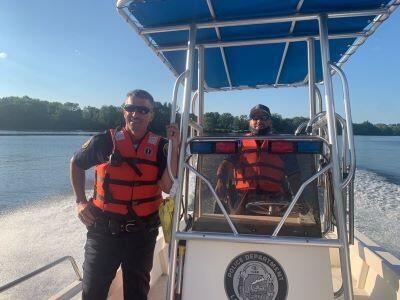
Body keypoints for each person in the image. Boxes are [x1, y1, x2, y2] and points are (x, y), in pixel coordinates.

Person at [70, 89, 179, 300]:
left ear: (151, 115)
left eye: (142, 110)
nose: (135, 114)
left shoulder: (162, 147)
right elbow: (76, 163)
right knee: (92, 292)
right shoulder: (104, 142)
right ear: (123, 112)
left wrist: (174, 147)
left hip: (142, 233)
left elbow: (167, 186)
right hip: (102, 231)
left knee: (136, 294)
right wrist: (80, 201)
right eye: (130, 108)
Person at [215, 104, 302, 215]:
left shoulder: (281, 143)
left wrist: (299, 198)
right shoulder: (240, 142)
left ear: (270, 121)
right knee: (236, 219)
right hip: (243, 196)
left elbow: (293, 173)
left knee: (277, 223)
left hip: (274, 198)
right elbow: (227, 162)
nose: (259, 121)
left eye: (264, 118)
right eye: (255, 118)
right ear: (249, 122)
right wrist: (221, 180)